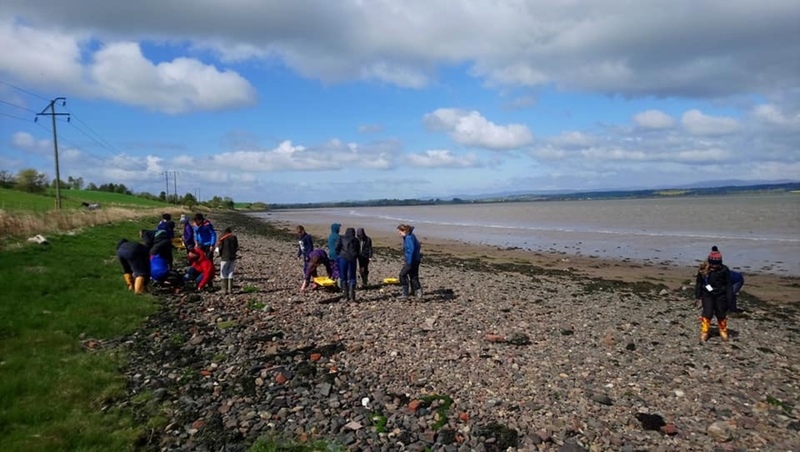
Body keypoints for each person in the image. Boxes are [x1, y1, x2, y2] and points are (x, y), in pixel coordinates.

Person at [695, 248, 733, 342]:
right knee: (707, 313)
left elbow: (729, 285)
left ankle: (723, 330)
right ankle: (704, 331)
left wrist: (730, 299)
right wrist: (697, 296)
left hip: (721, 295)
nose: (715, 266)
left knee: (721, 313)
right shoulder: (704, 269)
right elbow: (699, 283)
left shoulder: (724, 270)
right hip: (707, 294)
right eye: (713, 264)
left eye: (717, 264)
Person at [396, 224, 423, 300]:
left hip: (411, 261)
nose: (399, 233)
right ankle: (417, 292)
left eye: (400, 231)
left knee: (402, 275)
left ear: (404, 231)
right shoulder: (411, 236)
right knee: (413, 276)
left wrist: (409, 262)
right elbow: (418, 246)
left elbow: (411, 250)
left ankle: (405, 293)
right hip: (415, 260)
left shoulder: (409, 238)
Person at [335, 227, 360, 301]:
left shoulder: (341, 238)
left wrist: (339, 254)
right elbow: (358, 250)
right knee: (352, 277)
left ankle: (345, 296)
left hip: (343, 258)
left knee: (343, 277)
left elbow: (337, 248)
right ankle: (352, 296)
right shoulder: (356, 240)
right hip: (352, 259)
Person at [217, 227, 239, 295]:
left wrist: (220, 254)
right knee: (230, 272)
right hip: (233, 257)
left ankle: (224, 290)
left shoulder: (222, 238)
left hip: (225, 257)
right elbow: (236, 247)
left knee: (223, 272)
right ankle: (230, 290)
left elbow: (220, 248)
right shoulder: (234, 237)